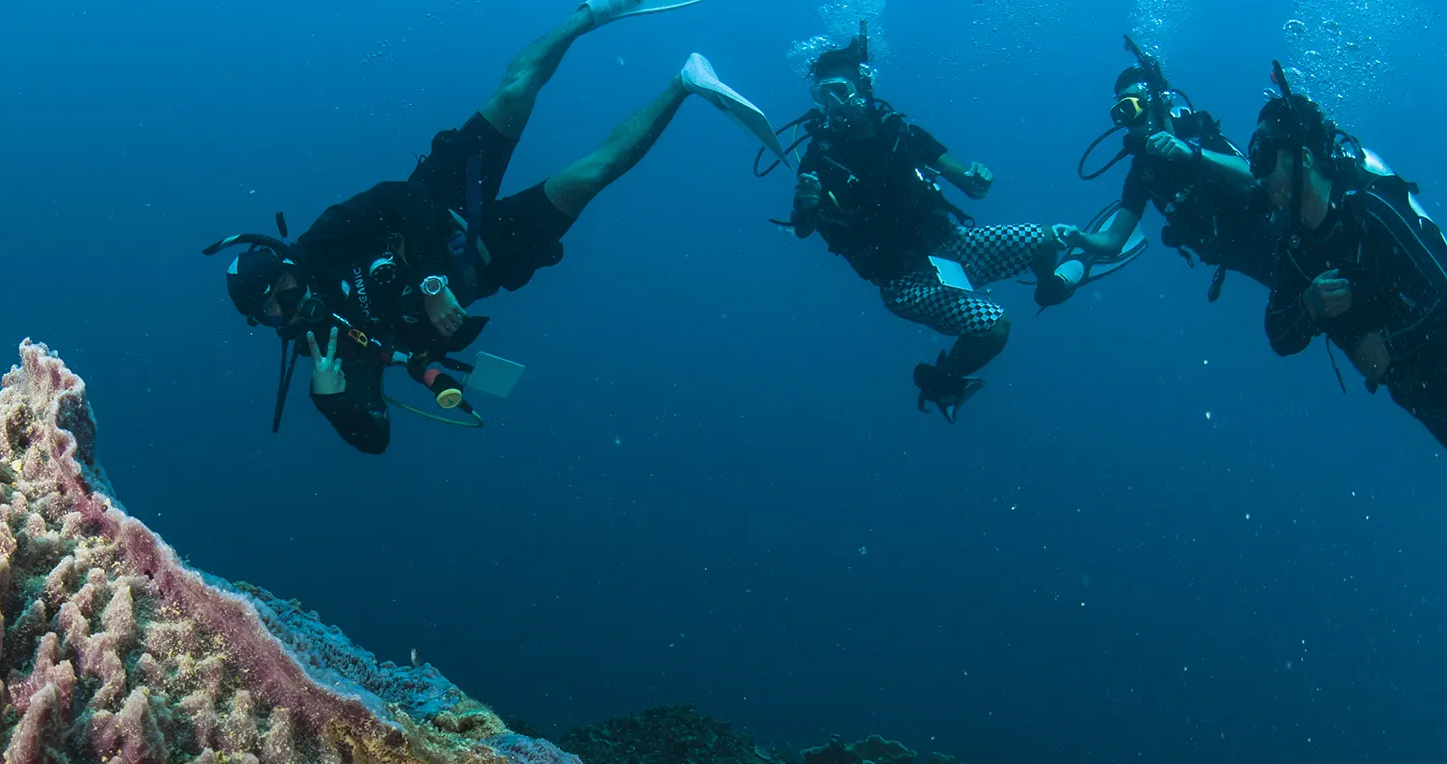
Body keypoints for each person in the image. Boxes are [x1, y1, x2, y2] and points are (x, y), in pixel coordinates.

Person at [206, 0, 781, 454]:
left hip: (440, 202)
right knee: (590, 176)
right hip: (480, 263)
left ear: (287, 264)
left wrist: (430, 284)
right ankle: (687, 83)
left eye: (284, 287)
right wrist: (333, 405)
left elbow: (397, 197)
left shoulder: (320, 244)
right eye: (274, 309)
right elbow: (375, 440)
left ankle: (591, 12)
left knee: (514, 94)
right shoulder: (329, 356)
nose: (292, 302)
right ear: (261, 321)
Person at [782, 30, 1076, 422]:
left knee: (1045, 239)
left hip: (950, 246)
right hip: (903, 281)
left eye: (839, 90)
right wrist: (806, 207)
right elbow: (802, 228)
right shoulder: (820, 157)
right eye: (822, 95)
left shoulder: (901, 132)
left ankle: (1047, 289)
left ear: (864, 86)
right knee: (994, 328)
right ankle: (944, 382)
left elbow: (969, 183)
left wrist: (978, 178)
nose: (832, 104)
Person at [1255, 64, 1447, 448]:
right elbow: (1279, 335)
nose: (1258, 175)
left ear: (1303, 158)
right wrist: (1308, 307)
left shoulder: (1369, 211)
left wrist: (1391, 346)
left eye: (1264, 159)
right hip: (1425, 401)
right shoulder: (1296, 249)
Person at [1067, 39, 1273, 300]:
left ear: (1159, 103)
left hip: (1270, 229)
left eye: (1131, 107)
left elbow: (1254, 173)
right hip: (1233, 256)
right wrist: (1078, 238)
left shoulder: (1195, 129)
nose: (1128, 122)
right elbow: (1115, 239)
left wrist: (1192, 153)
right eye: (1121, 112)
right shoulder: (1143, 171)